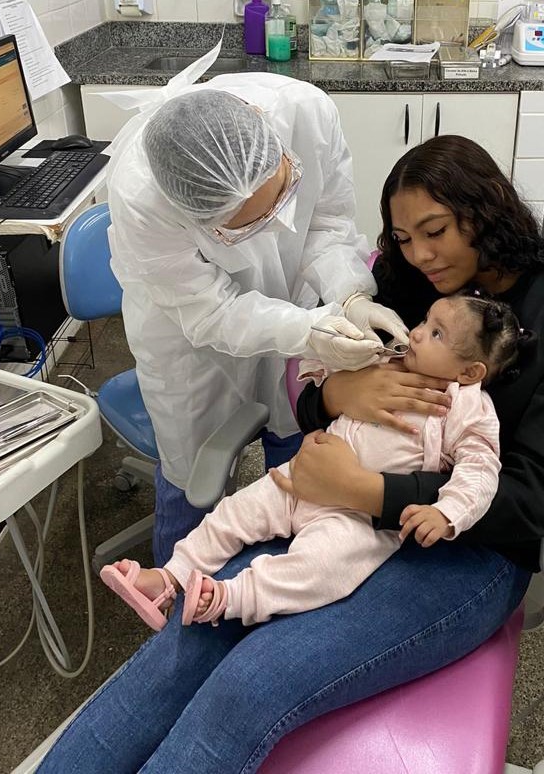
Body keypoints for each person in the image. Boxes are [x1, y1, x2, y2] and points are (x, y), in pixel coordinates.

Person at [38, 135, 544, 774]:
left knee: (251, 684)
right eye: (402, 238)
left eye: (436, 232)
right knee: (189, 638)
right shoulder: (410, 283)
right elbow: (314, 394)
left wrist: (367, 491)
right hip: (326, 506)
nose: (419, 255)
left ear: (488, 210)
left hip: (465, 549)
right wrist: (341, 392)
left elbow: (538, 496)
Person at [106, 71, 408, 565]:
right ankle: (173, 594)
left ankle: (284, 572)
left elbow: (326, 223)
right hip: (189, 339)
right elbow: (214, 311)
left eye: (284, 191)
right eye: (247, 225)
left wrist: (350, 294)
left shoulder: (306, 112)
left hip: (295, 294)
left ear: (260, 119)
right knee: (192, 477)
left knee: (295, 443)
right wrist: (308, 330)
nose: (279, 223)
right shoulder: (143, 199)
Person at [100, 292, 529, 630]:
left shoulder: (467, 408)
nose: (416, 334)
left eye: (436, 334)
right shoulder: (392, 358)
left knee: (322, 570)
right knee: (232, 513)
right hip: (300, 478)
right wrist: (339, 354)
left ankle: (229, 598)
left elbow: (480, 471)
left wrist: (447, 512)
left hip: (356, 517)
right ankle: (168, 578)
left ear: (471, 373)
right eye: (424, 322)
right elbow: (316, 372)